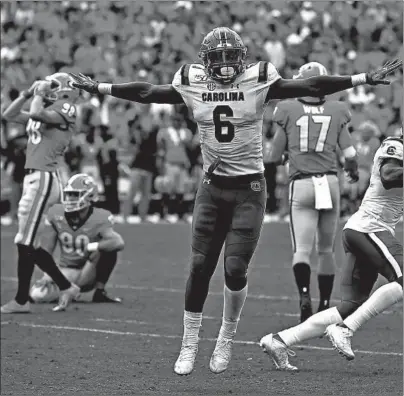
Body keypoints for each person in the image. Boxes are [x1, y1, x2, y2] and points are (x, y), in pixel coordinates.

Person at [69, 27, 401, 375]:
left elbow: (312, 86)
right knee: (199, 266)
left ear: (242, 58)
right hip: (212, 187)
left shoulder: (258, 78)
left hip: (249, 189)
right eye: (219, 57)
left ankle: (226, 335)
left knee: (235, 268)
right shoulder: (191, 80)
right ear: (205, 60)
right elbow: (149, 92)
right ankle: (190, 342)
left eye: (232, 57)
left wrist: (362, 77)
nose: (227, 64)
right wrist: (99, 87)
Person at [260, 133, 403, 370]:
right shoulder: (395, 146)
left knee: (350, 305)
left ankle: (280, 340)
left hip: (362, 231)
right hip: (369, 229)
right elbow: (388, 176)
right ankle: (345, 329)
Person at [267, 62, 359, 322]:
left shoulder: (287, 109)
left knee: (302, 250)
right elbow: (350, 154)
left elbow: (273, 156)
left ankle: (305, 296)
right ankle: (326, 303)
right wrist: (352, 171)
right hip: (330, 182)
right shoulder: (337, 110)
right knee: (326, 250)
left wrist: (288, 154)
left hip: (302, 183)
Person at [1, 73, 83, 314]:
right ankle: (66, 286)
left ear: (65, 90)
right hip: (34, 178)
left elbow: (37, 114)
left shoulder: (65, 107)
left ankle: (21, 300)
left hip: (44, 178)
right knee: (28, 242)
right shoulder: (46, 108)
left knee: (25, 241)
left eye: (54, 86)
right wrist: (27, 94)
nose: (49, 89)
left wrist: (37, 94)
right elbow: (9, 115)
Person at [29, 173, 124, 304]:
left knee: (108, 249)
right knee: (37, 295)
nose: (70, 198)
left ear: (90, 196)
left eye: (75, 194)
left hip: (89, 270)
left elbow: (118, 242)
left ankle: (99, 291)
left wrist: (92, 246)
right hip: (65, 270)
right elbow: (47, 249)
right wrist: (48, 274)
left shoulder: (99, 216)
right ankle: (68, 290)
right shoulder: (56, 213)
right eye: (69, 194)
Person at [155, 115, 194, 222]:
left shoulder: (186, 132)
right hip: (170, 163)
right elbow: (161, 149)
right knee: (167, 190)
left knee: (181, 191)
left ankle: (180, 214)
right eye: (175, 120)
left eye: (179, 120)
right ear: (171, 121)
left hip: (182, 165)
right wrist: (160, 164)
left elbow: (191, 147)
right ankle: (163, 214)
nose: (177, 122)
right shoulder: (165, 132)